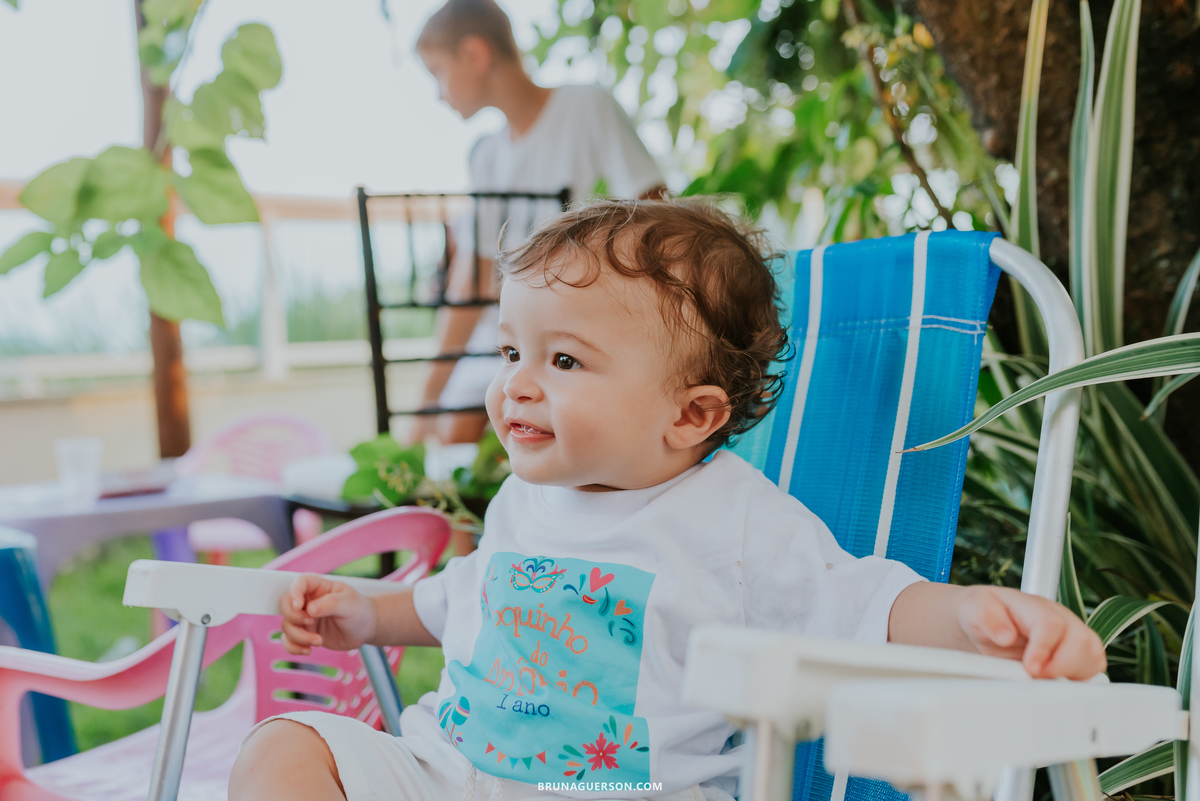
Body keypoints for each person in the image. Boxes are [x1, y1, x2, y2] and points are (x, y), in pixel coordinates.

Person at [230, 200, 1107, 801]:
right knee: (284, 750)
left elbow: (867, 601)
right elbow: (461, 597)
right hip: (450, 771)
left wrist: (976, 619)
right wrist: (367, 613)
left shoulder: (734, 519)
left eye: (563, 361)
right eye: (509, 355)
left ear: (690, 415)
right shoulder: (528, 497)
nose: (517, 389)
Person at [410, 0, 667, 448]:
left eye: (437, 72)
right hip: (507, 332)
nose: (437, 93)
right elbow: (474, 276)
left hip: (574, 320)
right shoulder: (486, 154)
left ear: (474, 54)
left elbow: (656, 211)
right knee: (453, 431)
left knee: (507, 430)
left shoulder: (585, 107)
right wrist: (427, 401)